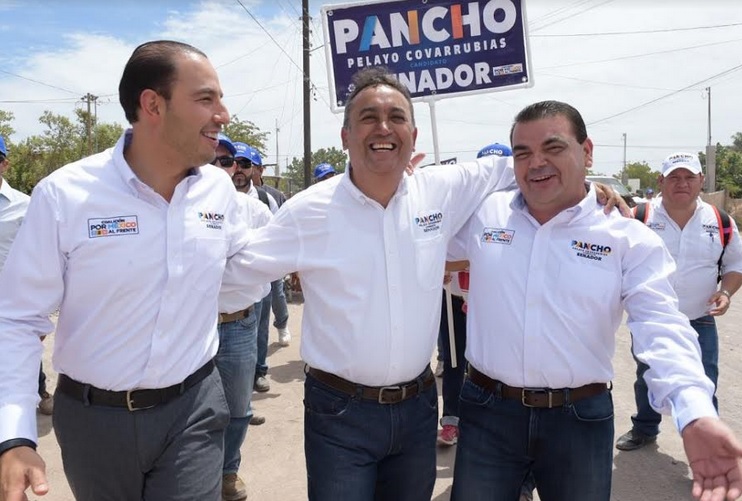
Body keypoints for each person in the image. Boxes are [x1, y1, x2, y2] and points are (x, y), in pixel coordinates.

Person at [221, 69, 624, 501]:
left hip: (417, 410)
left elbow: (522, 166)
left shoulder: (441, 191)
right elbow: (235, 275)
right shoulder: (307, 212)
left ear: (413, 136)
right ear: (345, 136)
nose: (383, 127)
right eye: (369, 117)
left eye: (396, 117)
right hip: (339, 412)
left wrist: (587, 190)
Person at [0, 40, 259, 501]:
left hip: (194, 410)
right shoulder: (65, 195)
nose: (223, 114)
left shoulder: (218, 192)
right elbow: (18, 318)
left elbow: (249, 262)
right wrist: (15, 435)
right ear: (152, 105)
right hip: (94, 420)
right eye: (206, 99)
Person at [447, 100, 742, 501]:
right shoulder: (485, 215)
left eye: (553, 148)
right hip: (487, 413)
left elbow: (661, 325)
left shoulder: (626, 237)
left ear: (587, 152)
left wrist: (694, 411)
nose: (537, 163)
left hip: (579, 420)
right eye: (522, 153)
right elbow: (410, 232)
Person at [616, 152, 742, 452]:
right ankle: (645, 428)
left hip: (700, 317)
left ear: (701, 181)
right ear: (661, 181)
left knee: (704, 378)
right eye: (674, 177)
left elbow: (735, 264)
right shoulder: (638, 217)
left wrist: (725, 293)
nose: (682, 183)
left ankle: (708, 443)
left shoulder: (721, 221)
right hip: (651, 319)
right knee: (648, 375)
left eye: (689, 177)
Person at [437, 142, 513, 448]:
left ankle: (493, 426)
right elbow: (439, 255)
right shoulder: (460, 206)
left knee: (496, 364)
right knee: (454, 362)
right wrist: (459, 262)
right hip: (456, 299)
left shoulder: (519, 210)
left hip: (496, 305)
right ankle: (451, 421)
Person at [211, 133, 273, 500]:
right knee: (188, 408)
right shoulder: (174, 207)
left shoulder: (256, 212)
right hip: (192, 325)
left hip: (239, 323)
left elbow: (267, 265)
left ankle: (228, 471)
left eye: (225, 161)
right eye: (210, 159)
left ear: (234, 166)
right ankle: (202, 472)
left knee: (237, 407)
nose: (217, 167)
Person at [0, 136, 53, 417]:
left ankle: (39, 391)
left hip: (12, 299)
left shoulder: (25, 205)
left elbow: (41, 257)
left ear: (5, 164)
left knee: (23, 351)